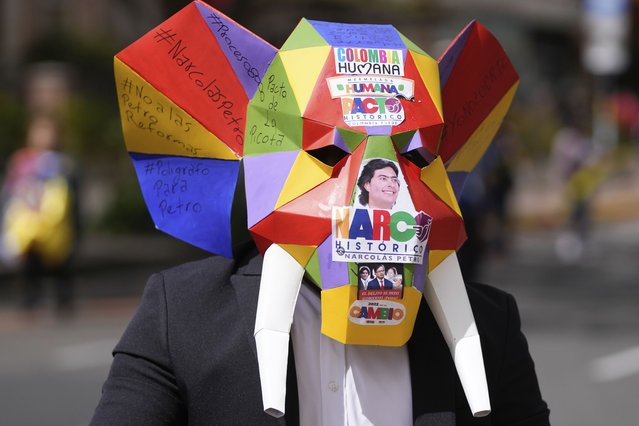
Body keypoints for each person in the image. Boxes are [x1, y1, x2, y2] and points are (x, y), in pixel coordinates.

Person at [0, 116, 79, 315]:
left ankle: (64, 301)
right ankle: (29, 300)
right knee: (30, 264)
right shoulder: (21, 160)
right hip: (29, 224)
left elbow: (73, 194)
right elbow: (10, 191)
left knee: (61, 265)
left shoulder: (64, 162)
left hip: (58, 225)